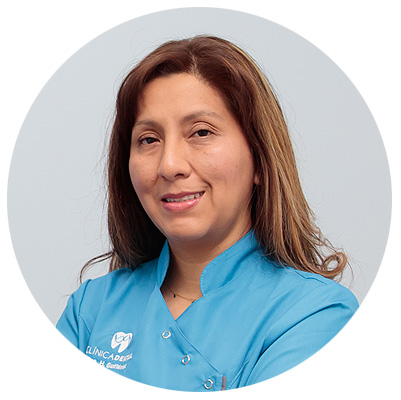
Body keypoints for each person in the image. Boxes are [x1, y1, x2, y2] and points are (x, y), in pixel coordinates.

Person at [56, 35, 358, 391]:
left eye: (201, 132)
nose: (169, 165)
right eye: (149, 139)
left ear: (260, 159)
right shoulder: (91, 309)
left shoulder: (314, 314)